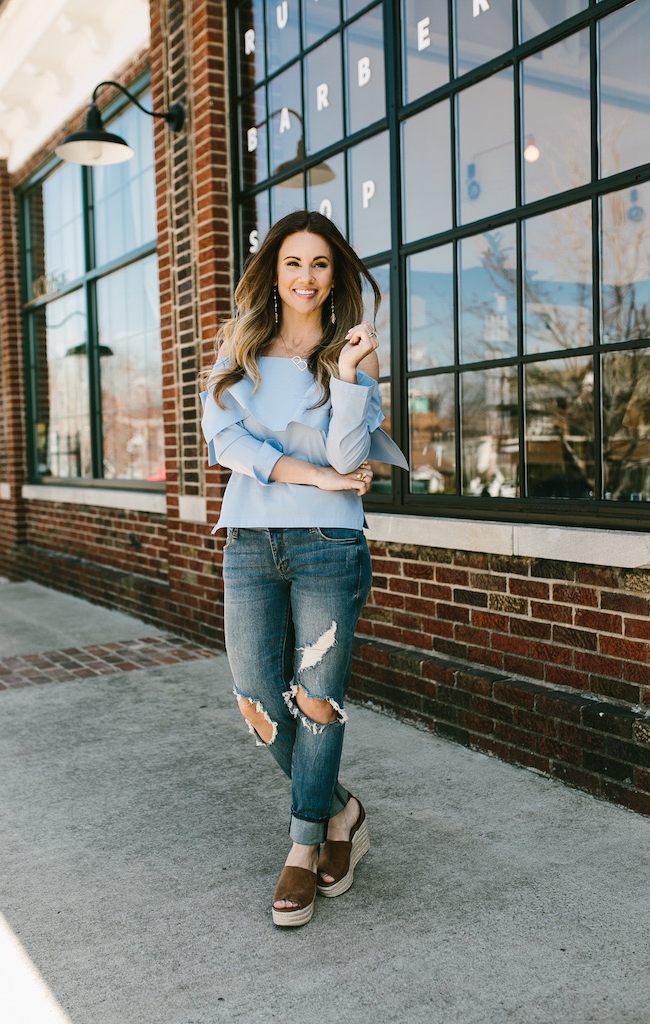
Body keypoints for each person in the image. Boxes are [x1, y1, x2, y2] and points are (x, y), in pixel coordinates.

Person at [201, 210, 407, 927]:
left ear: (335, 275)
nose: (306, 277)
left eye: (320, 264)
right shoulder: (242, 349)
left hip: (328, 544)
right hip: (251, 543)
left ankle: (303, 845)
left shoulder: (355, 353)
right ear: (272, 271)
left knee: (316, 699)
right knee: (257, 696)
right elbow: (225, 442)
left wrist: (347, 376)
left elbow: (351, 459)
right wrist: (309, 475)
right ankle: (341, 808)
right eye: (293, 262)